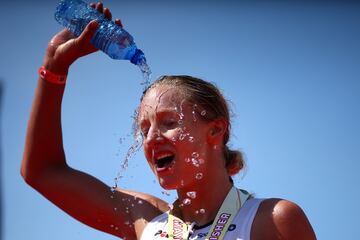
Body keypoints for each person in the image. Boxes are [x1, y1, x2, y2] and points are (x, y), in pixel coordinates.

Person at [21, 2, 316, 240]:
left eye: (168, 122)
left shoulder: (272, 220)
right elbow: (43, 172)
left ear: (215, 129)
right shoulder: (148, 223)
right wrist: (53, 68)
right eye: (144, 129)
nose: (151, 139)